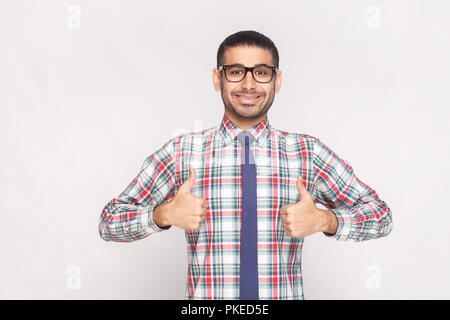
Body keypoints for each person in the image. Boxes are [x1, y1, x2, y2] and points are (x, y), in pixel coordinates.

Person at [98, 30, 393, 300]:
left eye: (261, 72)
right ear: (217, 79)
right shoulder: (182, 153)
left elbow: (380, 215)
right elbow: (110, 221)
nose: (249, 84)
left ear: (277, 80)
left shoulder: (307, 153)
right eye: (236, 71)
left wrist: (326, 221)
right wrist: (163, 214)